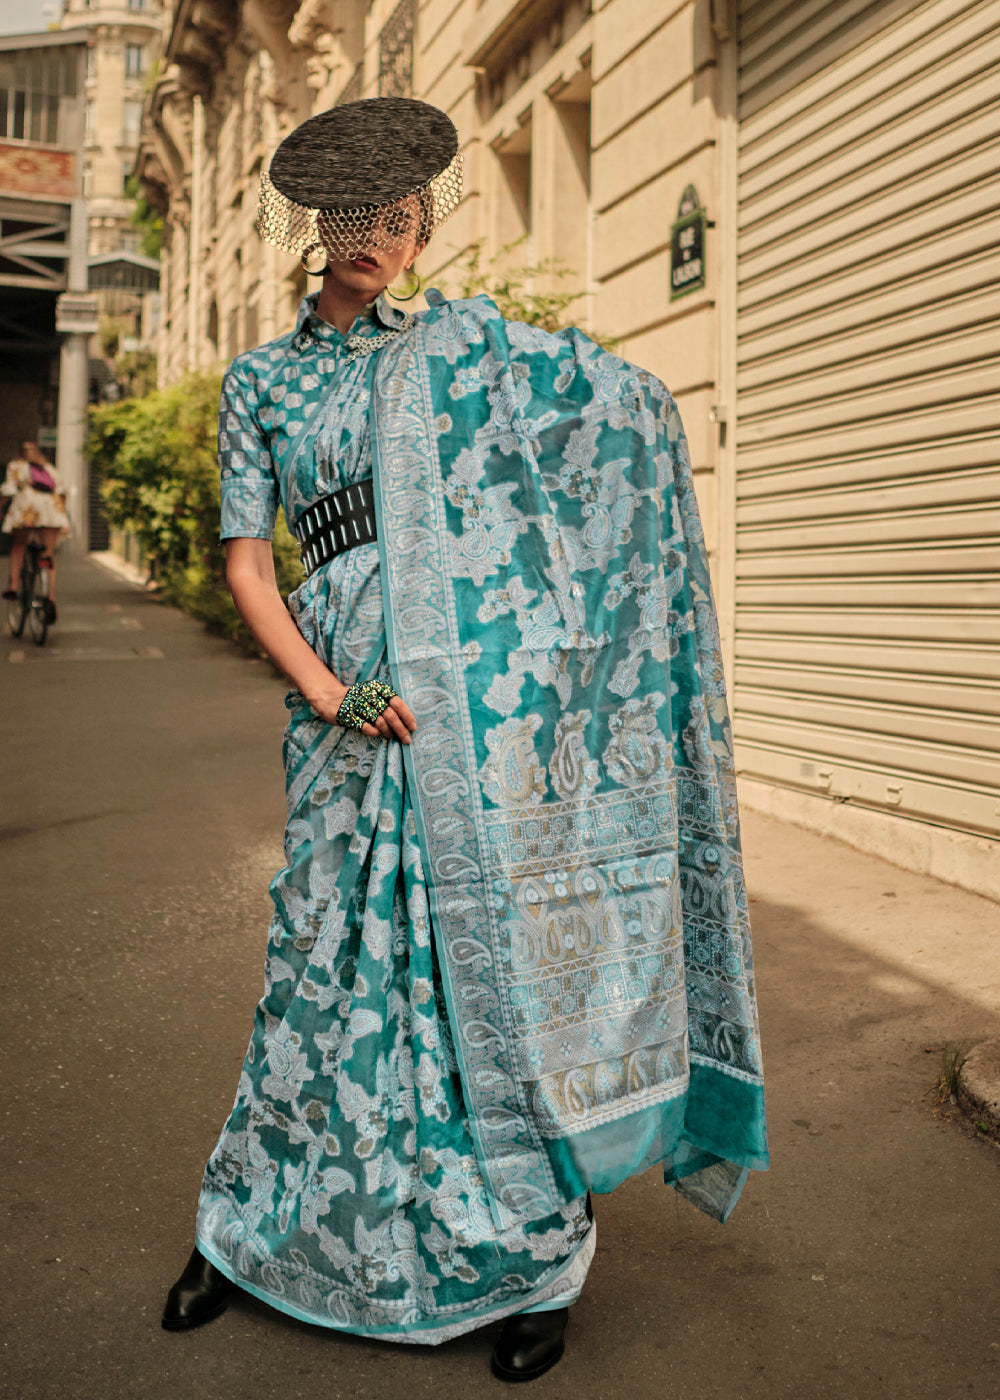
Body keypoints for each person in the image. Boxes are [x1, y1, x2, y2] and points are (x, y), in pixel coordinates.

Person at [162, 98, 768, 1380]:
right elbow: (250, 564)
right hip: (338, 723)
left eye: (397, 213)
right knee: (319, 980)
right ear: (313, 227)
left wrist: (648, 414)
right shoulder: (264, 381)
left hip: (469, 727)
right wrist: (331, 692)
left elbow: (593, 424)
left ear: (418, 221)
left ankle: (537, 1259)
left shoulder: (460, 354)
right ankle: (249, 1232)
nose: (375, 236)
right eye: (351, 215)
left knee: (472, 983)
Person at [2, 440, 68, 621]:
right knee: (48, 553)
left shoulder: (17, 466)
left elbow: (8, 490)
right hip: (51, 509)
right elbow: (62, 491)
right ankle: (50, 597)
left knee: (19, 545)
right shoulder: (49, 468)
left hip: (27, 509)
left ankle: (14, 586)